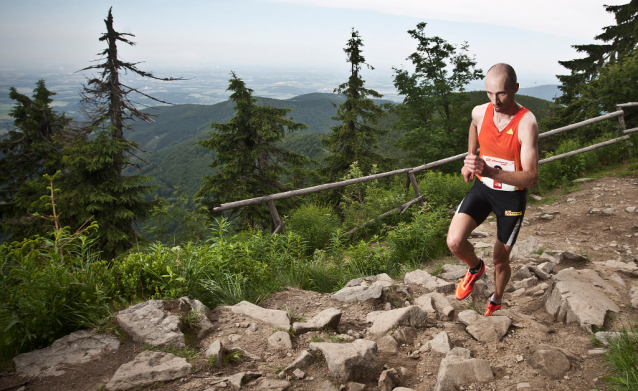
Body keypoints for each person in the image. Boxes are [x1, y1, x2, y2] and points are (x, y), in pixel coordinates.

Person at [446, 63, 539, 317]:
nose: (495, 101)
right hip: (483, 189)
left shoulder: (526, 123)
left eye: (501, 93)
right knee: (454, 241)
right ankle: (475, 268)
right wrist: (471, 156)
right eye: (489, 93)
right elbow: (474, 126)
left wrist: (490, 171)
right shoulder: (480, 112)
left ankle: (497, 298)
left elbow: (531, 177)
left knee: (500, 259)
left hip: (511, 197)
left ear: (515, 89)